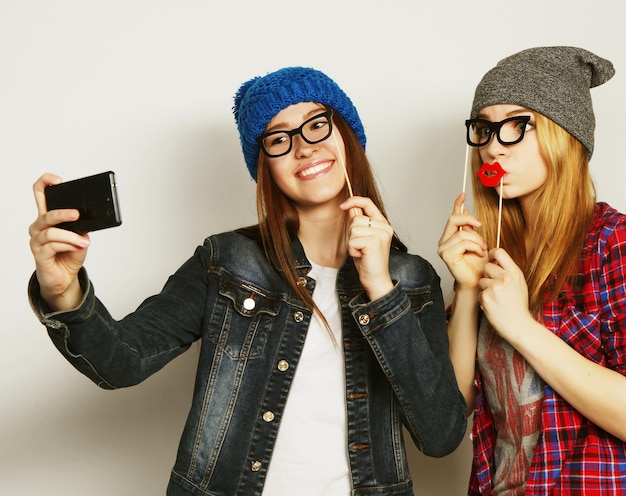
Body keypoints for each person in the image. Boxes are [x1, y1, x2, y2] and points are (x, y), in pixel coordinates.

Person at [28, 67, 467, 496]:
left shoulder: (410, 279)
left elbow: (441, 436)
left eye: (317, 124)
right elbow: (120, 363)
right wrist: (63, 290)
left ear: (347, 134)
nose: (304, 148)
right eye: (279, 139)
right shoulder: (226, 262)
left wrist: (379, 288)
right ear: (265, 166)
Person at [438, 46, 626, 495]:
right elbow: (450, 413)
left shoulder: (612, 243)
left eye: (516, 126)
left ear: (564, 135)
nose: (491, 147)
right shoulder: (493, 255)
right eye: (483, 129)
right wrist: (466, 291)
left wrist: (522, 326)